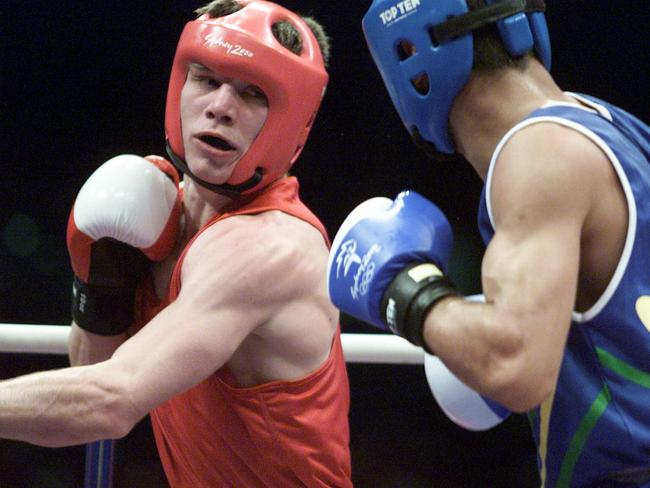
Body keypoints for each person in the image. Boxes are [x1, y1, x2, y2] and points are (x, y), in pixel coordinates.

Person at [0, 1, 353, 486]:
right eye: (207, 79)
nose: (220, 106)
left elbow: (109, 402)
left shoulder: (272, 248)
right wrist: (101, 288)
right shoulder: (159, 210)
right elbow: (92, 369)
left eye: (252, 94)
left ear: (294, 121)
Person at [327, 0, 650, 486]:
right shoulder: (616, 128)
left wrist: (406, 291)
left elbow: (513, 364)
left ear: (411, 59)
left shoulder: (538, 153)